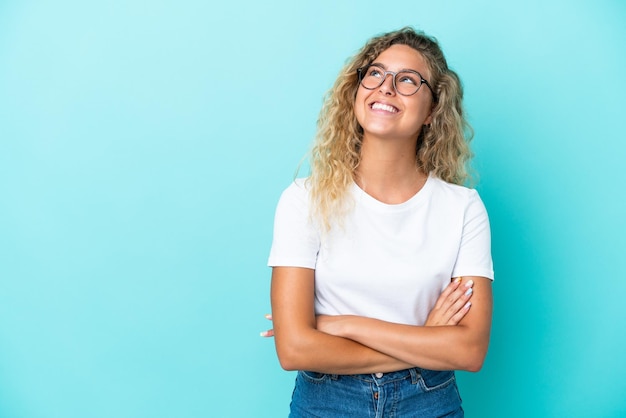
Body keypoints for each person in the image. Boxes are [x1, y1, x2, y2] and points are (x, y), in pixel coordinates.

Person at [263, 26, 494, 417]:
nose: (386, 87)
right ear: (357, 91)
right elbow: (294, 349)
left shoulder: (463, 208)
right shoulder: (304, 199)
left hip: (429, 402)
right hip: (327, 402)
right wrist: (425, 342)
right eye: (375, 73)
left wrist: (343, 324)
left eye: (407, 80)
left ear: (433, 111)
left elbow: (469, 351)